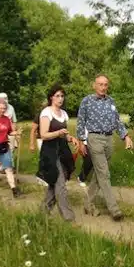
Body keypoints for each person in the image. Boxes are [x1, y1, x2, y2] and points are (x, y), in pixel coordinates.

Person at [76, 74, 134, 221]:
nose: (103, 87)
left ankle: (88, 204)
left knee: (98, 174)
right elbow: (80, 122)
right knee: (104, 174)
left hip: (109, 140)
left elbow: (117, 122)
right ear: (94, 85)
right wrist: (81, 141)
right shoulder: (87, 101)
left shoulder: (111, 102)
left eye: (105, 84)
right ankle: (114, 210)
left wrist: (126, 136)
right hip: (94, 139)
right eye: (100, 84)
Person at [36, 85, 79, 221]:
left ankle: (42, 213)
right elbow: (43, 134)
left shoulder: (64, 114)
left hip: (63, 152)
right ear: (51, 97)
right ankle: (69, 218)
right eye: (57, 96)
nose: (60, 99)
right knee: (60, 185)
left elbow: (64, 135)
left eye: (62, 96)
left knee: (55, 183)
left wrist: (71, 138)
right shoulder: (46, 112)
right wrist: (58, 133)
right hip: (50, 153)